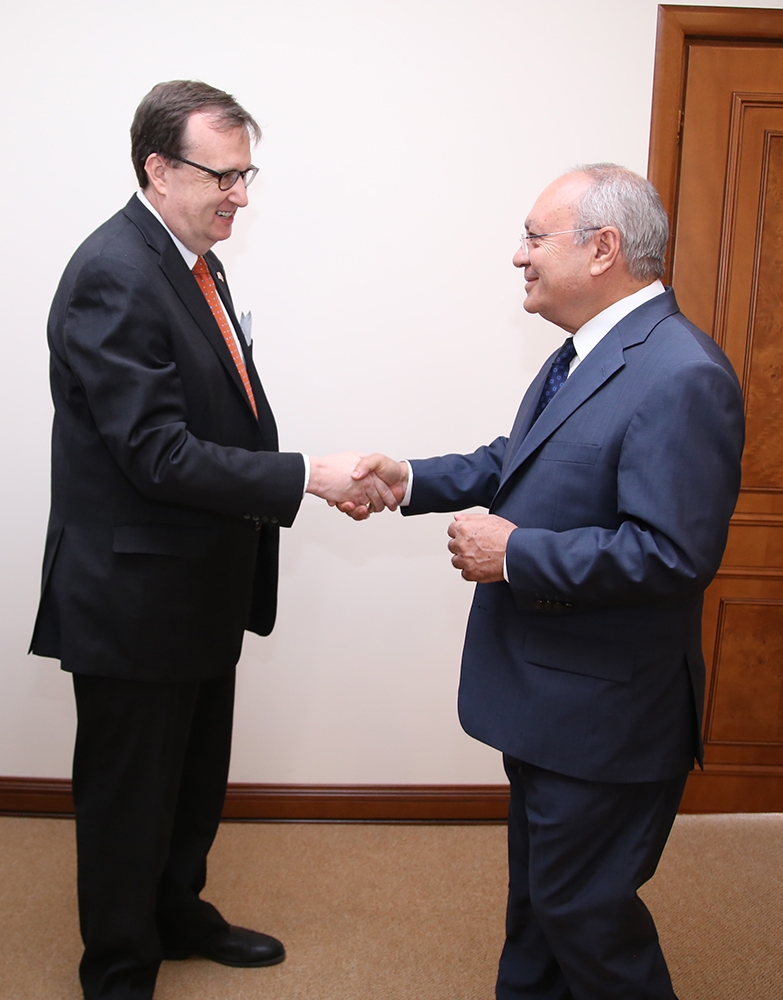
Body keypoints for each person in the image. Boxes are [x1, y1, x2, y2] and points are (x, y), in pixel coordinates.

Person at [30, 80, 400, 1000]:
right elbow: (155, 453)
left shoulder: (195, 261)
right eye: (221, 175)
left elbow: (214, 414)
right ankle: (119, 968)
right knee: (129, 799)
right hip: (133, 595)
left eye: (246, 175)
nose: (239, 194)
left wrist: (295, 477)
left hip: (194, 580)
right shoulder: (115, 272)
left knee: (191, 781)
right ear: (158, 168)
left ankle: (176, 914)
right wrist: (306, 476)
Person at [348, 164, 745, 999]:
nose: (517, 256)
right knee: (539, 907)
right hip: (552, 704)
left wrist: (515, 554)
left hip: (606, 717)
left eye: (534, 237)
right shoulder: (584, 353)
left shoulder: (682, 374)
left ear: (602, 249)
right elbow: (524, 460)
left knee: (583, 915)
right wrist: (410, 479)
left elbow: (671, 554)